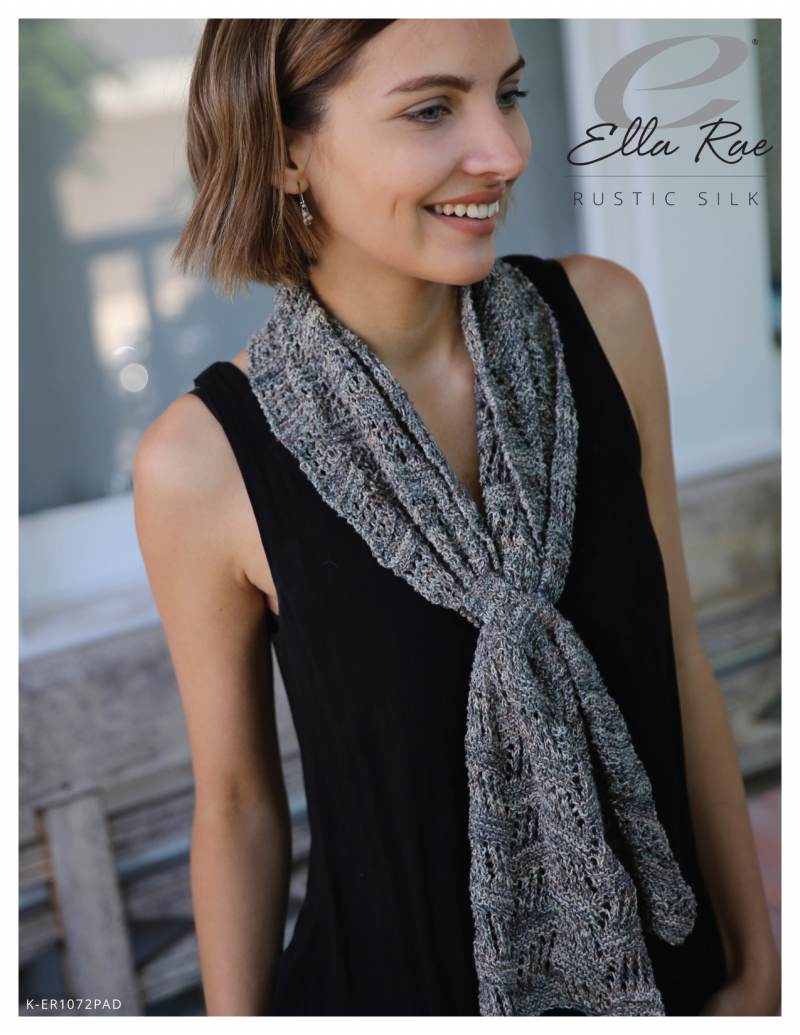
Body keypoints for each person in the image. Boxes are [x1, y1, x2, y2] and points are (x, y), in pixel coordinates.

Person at [133, 19, 780, 1017]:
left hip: (671, 980)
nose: (505, 151)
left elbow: (678, 657)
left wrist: (757, 967)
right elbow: (236, 804)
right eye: (432, 109)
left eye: (507, 95)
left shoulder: (604, 322)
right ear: (285, 153)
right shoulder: (202, 463)